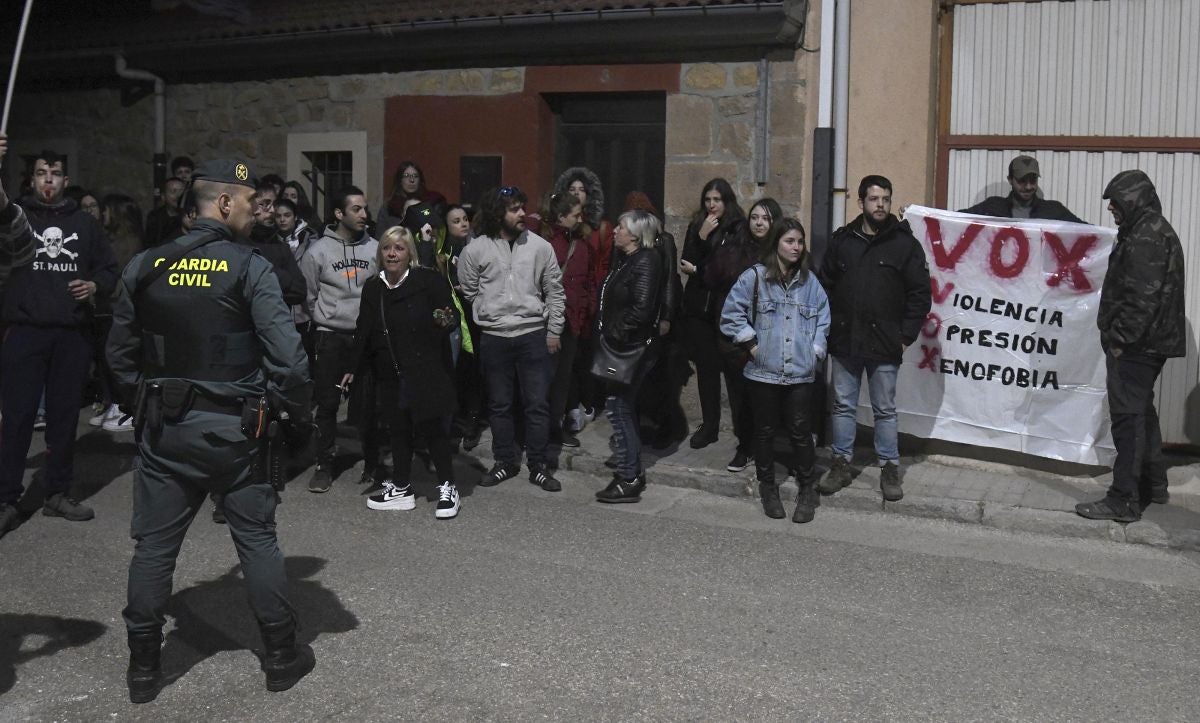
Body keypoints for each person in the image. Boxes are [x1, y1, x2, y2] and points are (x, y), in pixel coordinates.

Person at [106, 158, 315, 702]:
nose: (254, 211)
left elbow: (120, 354)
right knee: (257, 541)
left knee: (154, 549)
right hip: (236, 433)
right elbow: (289, 362)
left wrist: (143, 400)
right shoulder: (250, 267)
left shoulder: (145, 266)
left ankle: (145, 669)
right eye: (248, 201)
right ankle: (280, 656)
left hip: (164, 430)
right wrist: (299, 413)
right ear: (223, 203)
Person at [0, 144, 118, 535]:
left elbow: (109, 267)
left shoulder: (85, 225)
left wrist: (95, 284)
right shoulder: (14, 217)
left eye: (54, 174)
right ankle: (6, 498)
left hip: (71, 335)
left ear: (65, 180)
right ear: (31, 179)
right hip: (25, 331)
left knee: (65, 418)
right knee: (16, 418)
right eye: (40, 173)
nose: (47, 180)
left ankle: (57, 492)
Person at [1076, 171, 1185, 523]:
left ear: (1134, 199)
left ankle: (1124, 497)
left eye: (1116, 200)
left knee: (1128, 420)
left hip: (1137, 346)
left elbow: (1142, 298)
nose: (1110, 207)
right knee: (1142, 414)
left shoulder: (1146, 235)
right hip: (1146, 343)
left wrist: (1120, 340)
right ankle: (1154, 485)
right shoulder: (1148, 229)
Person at [817, 175, 931, 502]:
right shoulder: (843, 241)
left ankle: (889, 467)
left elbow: (920, 294)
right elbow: (825, 286)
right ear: (861, 202)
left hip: (885, 343)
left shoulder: (904, 244)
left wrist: (905, 336)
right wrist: (831, 327)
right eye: (874, 199)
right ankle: (840, 463)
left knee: (884, 408)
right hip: (846, 341)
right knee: (842, 405)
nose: (880, 205)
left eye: (885, 199)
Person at [345, 226, 461, 518]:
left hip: (426, 369)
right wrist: (351, 367)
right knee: (398, 431)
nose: (392, 253)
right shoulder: (374, 287)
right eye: (387, 248)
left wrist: (443, 317)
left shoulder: (428, 280)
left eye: (399, 248)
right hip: (390, 371)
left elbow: (450, 315)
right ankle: (401, 487)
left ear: (410, 253)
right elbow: (363, 329)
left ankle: (448, 487)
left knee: (433, 430)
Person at [721, 218, 830, 522]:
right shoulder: (754, 278)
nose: (796, 247)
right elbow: (731, 315)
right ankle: (767, 486)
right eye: (789, 241)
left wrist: (815, 351)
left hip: (800, 371)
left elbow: (823, 319)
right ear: (776, 244)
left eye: (799, 241)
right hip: (762, 371)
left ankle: (808, 489)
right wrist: (751, 344)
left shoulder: (810, 283)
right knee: (765, 432)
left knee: (800, 431)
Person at [458, 186, 565, 492]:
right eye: (514, 209)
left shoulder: (540, 247)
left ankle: (539, 466)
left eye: (522, 207)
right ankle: (505, 462)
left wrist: (554, 330)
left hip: (532, 334)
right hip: (494, 337)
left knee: (536, 404)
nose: (522, 214)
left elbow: (555, 291)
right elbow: (469, 288)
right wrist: (487, 311)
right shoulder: (475, 249)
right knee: (500, 405)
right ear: (497, 214)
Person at [300, 185, 379, 492]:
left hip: (365, 338)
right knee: (329, 404)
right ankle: (324, 463)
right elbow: (309, 297)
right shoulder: (318, 251)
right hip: (330, 337)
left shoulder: (374, 248)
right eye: (356, 209)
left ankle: (374, 463)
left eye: (365, 209)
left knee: (370, 404)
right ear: (338, 214)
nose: (364, 214)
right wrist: (329, 317)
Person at [594, 210, 664, 503]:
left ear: (635, 234)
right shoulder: (628, 260)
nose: (615, 231)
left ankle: (629, 477)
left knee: (618, 407)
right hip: (624, 345)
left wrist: (613, 335)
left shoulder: (646, 260)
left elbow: (642, 309)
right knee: (622, 408)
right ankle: (630, 471)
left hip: (630, 349)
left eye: (620, 227)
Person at [678, 179, 749, 455]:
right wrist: (701, 238)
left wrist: (701, 265)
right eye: (708, 199)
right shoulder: (698, 225)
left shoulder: (737, 228)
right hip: (699, 309)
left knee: (733, 372)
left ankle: (742, 430)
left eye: (717, 200)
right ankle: (709, 426)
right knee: (706, 370)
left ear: (726, 201)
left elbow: (727, 268)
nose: (711, 205)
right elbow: (687, 261)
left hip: (725, 308)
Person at [624, 191, 688, 450]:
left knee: (661, 378)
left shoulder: (664, 241)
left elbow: (670, 282)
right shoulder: (630, 242)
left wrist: (666, 317)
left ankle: (666, 428)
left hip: (658, 320)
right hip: (637, 322)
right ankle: (641, 427)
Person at [538, 191, 594, 448]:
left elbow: (588, 281)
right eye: (575, 215)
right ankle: (538, 429)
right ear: (561, 217)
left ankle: (554, 428)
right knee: (543, 379)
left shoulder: (582, 244)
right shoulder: (545, 244)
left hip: (573, 322)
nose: (580, 218)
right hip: (549, 322)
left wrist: (585, 311)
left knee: (562, 379)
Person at [443, 204, 485, 451]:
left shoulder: (479, 247)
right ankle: (454, 419)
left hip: (473, 316)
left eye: (465, 219)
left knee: (474, 370)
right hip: (451, 317)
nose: (463, 223)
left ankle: (472, 420)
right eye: (456, 221)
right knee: (454, 370)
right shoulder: (443, 251)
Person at [960, 155, 1084, 222]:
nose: (1028, 186)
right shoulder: (992, 207)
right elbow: (957, 221)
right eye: (1022, 181)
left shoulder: (1054, 211)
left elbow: (1087, 231)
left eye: (1033, 180)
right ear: (1010, 180)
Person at [275, 197, 319, 363]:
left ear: (295, 217)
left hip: (305, 310)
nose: (282, 219)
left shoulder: (311, 240)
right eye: (278, 216)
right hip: (282, 308)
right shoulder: (271, 241)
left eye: (287, 215)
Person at [378, 161, 447, 233]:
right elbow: (380, 239)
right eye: (406, 176)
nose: (411, 180)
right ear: (399, 180)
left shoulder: (433, 202)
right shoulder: (389, 208)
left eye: (415, 176)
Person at [144, 177, 185, 247]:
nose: (178, 195)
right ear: (163, 196)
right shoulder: (155, 216)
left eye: (181, 191)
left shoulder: (190, 216)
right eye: (173, 191)